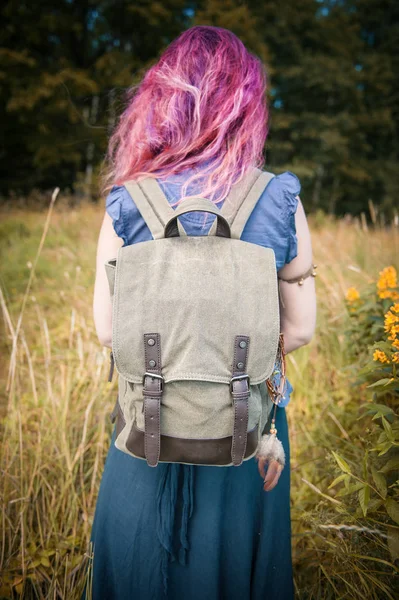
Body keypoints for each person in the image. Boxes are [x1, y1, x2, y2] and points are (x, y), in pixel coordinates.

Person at [88, 25, 316, 600]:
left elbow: (108, 330)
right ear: (246, 108)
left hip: (148, 423)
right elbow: (302, 328)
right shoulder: (278, 198)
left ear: (162, 101)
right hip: (244, 426)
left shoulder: (127, 200)